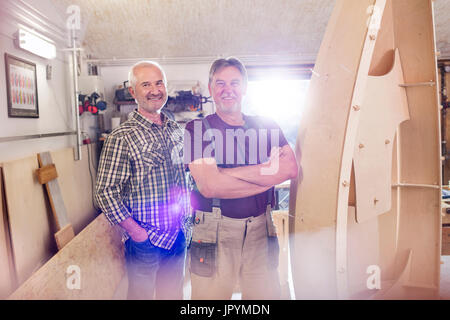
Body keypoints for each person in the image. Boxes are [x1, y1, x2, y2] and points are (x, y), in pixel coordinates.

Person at [184, 57, 299, 300]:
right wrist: (266, 171)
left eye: (234, 83)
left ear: (245, 87)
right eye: (220, 83)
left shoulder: (267, 125)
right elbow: (210, 186)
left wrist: (227, 173)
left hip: (261, 227)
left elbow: (289, 169)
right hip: (214, 229)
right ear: (210, 88)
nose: (228, 90)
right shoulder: (197, 130)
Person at [95, 61, 190, 300]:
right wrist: (136, 232)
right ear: (133, 92)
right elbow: (105, 193)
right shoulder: (121, 137)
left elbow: (184, 176)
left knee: (173, 296)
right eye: (146, 84)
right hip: (146, 241)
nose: (155, 90)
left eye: (159, 83)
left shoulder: (175, 130)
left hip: (177, 234)